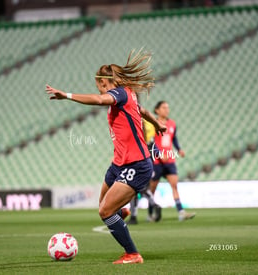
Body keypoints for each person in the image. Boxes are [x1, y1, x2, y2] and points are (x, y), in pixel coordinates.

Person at [46, 50, 166, 264]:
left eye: (99, 84)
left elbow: (100, 100)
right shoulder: (128, 96)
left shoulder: (119, 94)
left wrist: (68, 95)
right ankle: (122, 212)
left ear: (104, 82)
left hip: (136, 164)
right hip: (118, 164)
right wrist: (157, 125)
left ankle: (133, 254)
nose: (98, 89)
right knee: (104, 205)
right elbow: (143, 111)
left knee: (105, 211)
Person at [149, 101, 195, 222]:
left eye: (167, 107)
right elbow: (150, 141)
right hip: (157, 161)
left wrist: (179, 149)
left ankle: (181, 212)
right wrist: (159, 154)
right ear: (157, 110)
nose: (166, 110)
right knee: (151, 190)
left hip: (169, 159)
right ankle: (151, 214)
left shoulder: (172, 124)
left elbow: (173, 138)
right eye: (164, 107)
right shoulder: (152, 123)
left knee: (174, 186)